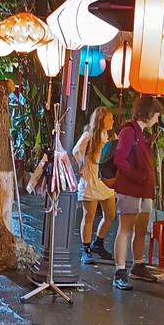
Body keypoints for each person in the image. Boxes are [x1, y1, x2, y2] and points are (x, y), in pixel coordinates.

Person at [112, 94, 162, 291]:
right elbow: (120, 159)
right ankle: (120, 270)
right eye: (156, 115)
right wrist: (137, 176)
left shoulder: (141, 134)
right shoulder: (129, 131)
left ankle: (138, 264)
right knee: (126, 228)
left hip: (144, 190)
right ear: (148, 114)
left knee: (141, 229)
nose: (157, 119)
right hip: (131, 188)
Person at [73, 106, 116, 265]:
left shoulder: (110, 135)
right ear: (100, 119)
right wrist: (82, 168)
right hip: (91, 179)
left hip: (105, 181)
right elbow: (76, 151)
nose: (112, 121)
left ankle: (98, 242)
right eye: (109, 118)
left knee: (110, 214)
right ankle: (86, 249)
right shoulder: (89, 135)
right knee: (89, 216)